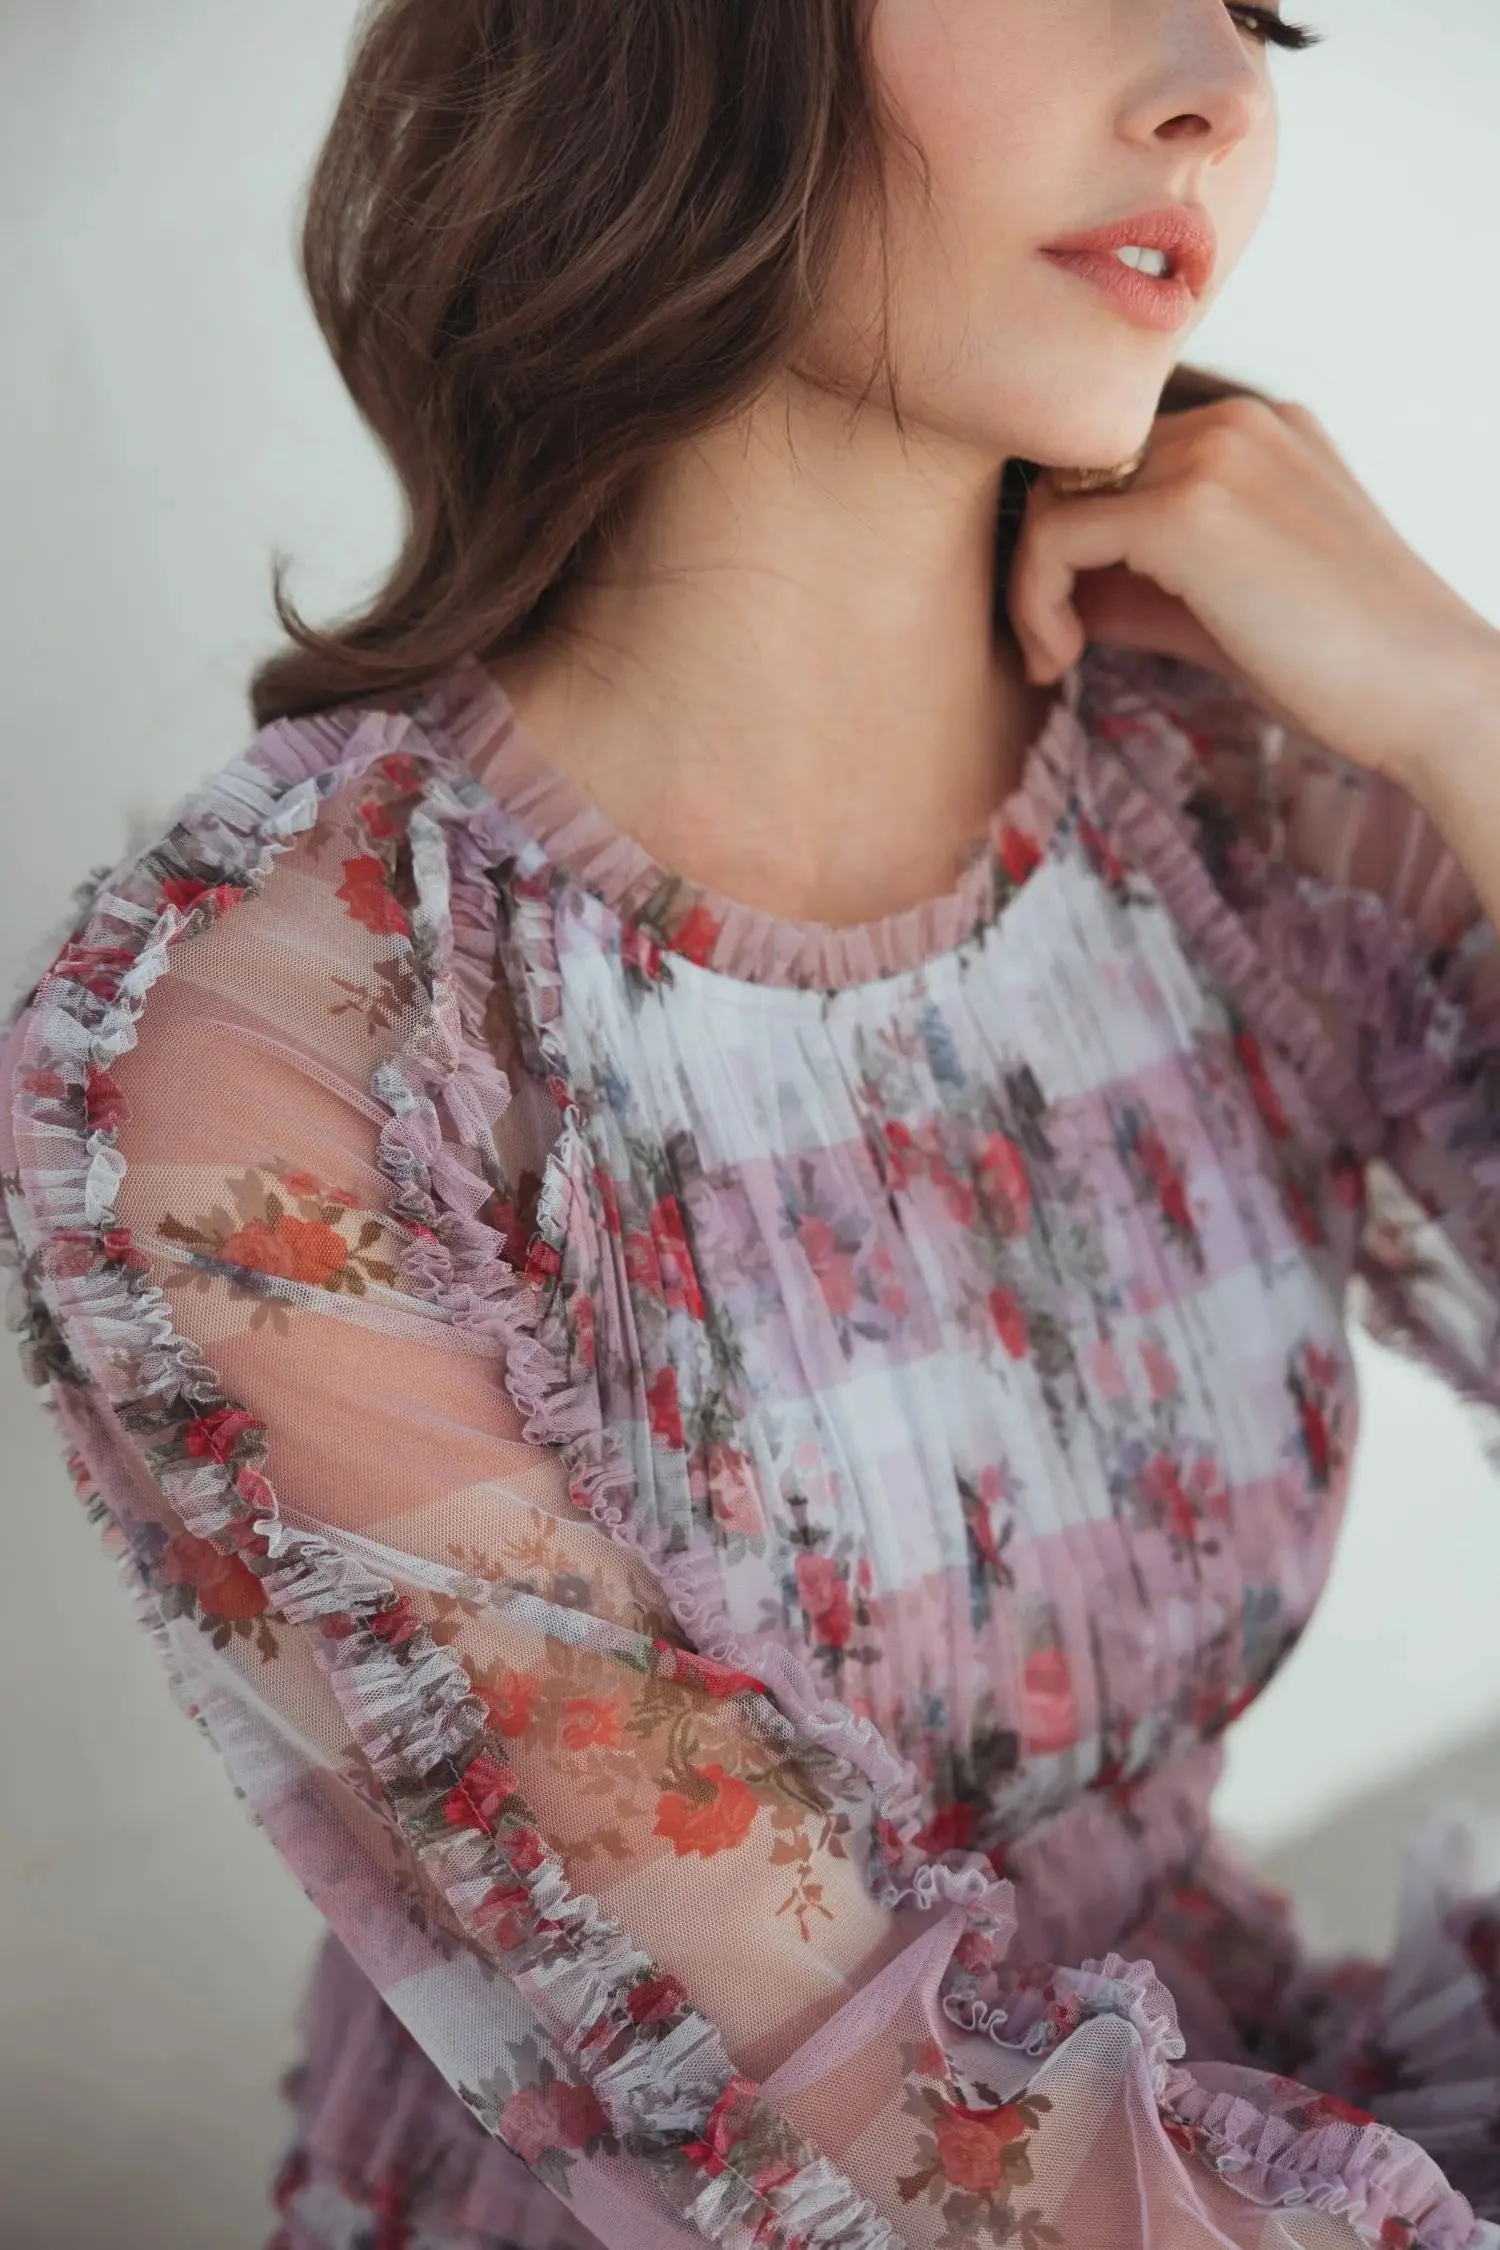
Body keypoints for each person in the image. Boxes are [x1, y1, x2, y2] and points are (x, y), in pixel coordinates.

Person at [9, 0, 1500, 2244]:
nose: (1218, 84)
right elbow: (834, 2137)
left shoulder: (1235, 780)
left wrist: (1473, 717)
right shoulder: (272, 1056)